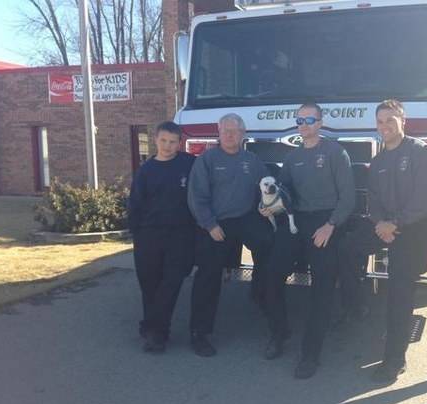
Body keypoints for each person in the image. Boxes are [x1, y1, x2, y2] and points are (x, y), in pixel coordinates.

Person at [338, 99, 427, 383]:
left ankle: (395, 359)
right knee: (346, 249)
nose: (385, 126)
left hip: (416, 228)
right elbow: (374, 200)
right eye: (380, 121)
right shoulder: (380, 160)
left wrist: (395, 223)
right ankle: (355, 306)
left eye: (390, 121)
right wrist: (380, 223)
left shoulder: (420, 153)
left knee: (399, 285)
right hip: (386, 225)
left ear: (403, 122)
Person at [261, 102, 355, 379]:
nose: (304, 124)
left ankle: (310, 353)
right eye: (300, 120)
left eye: (309, 119)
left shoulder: (335, 152)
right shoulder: (292, 158)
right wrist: (269, 206)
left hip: (325, 221)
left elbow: (348, 196)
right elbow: (282, 192)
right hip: (296, 221)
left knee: (322, 285)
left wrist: (330, 225)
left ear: (320, 122)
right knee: (271, 274)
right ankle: (279, 334)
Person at [188, 113, 272, 357]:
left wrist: (267, 206)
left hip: (245, 219)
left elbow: (266, 186)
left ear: (243, 134)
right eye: (225, 130)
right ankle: (199, 333)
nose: (229, 135)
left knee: (268, 243)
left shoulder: (252, 160)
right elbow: (197, 197)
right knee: (208, 274)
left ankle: (260, 292)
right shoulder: (207, 160)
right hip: (216, 223)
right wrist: (210, 225)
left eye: (234, 131)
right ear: (219, 132)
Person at [128, 121, 198, 353]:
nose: (167, 146)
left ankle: (156, 333)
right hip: (149, 235)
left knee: (171, 283)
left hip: (180, 235)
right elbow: (135, 204)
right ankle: (152, 327)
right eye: (163, 141)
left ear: (179, 143)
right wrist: (137, 233)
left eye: (172, 142)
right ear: (155, 140)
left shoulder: (190, 164)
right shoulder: (146, 171)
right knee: (150, 285)